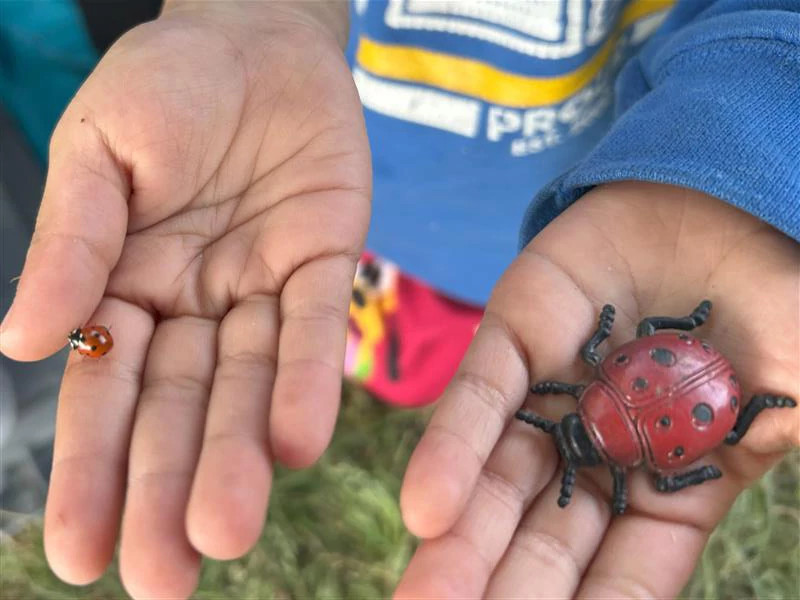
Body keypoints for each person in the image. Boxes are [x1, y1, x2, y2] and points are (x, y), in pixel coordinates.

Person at [0, 1, 797, 598]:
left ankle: (403, 321)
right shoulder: (613, 409)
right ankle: (399, 312)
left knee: (491, 331)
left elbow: (608, 361)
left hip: (590, 203)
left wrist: (747, 114)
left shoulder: (602, 401)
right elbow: (613, 372)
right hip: (382, 199)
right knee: (449, 334)